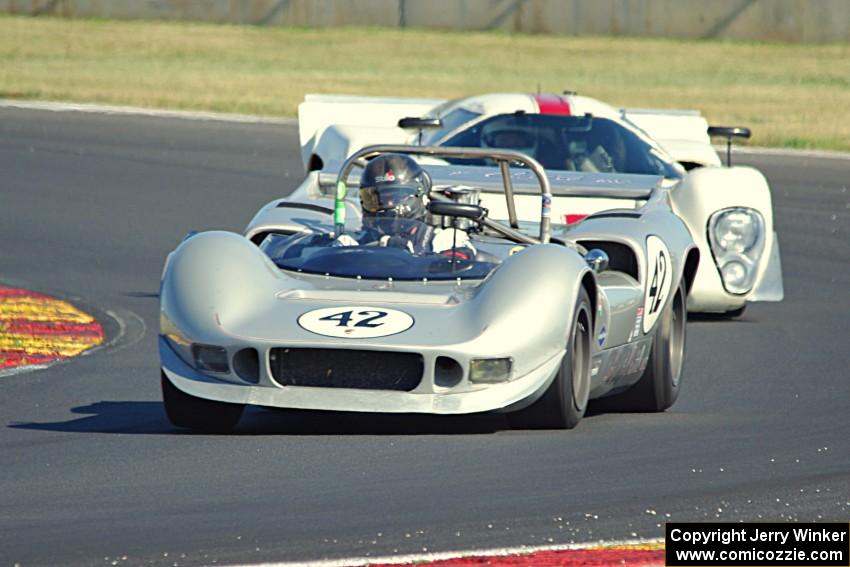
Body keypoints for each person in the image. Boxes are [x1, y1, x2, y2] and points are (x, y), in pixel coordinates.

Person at [334, 153, 477, 259]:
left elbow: (460, 262)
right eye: (377, 199)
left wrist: (410, 257)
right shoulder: (353, 242)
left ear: (418, 195)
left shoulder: (441, 241)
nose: (388, 205)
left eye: (396, 197)